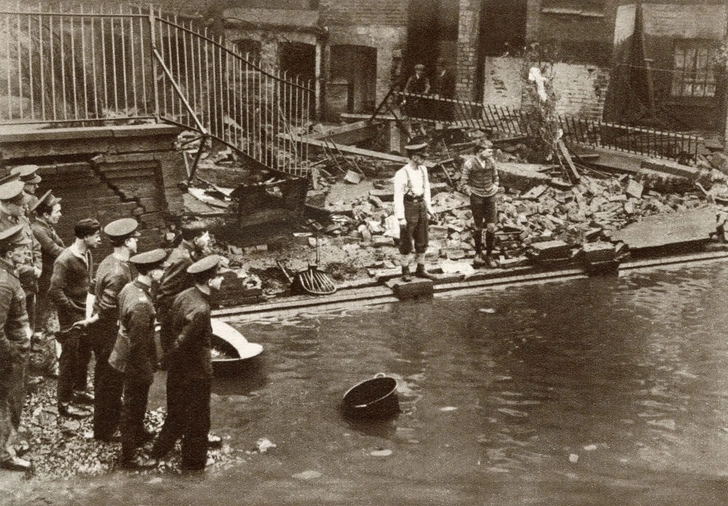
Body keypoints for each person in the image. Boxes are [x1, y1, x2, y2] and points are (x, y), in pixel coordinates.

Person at [151, 255, 224, 471]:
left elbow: (166, 328)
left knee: (176, 413)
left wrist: (168, 359)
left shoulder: (183, 296)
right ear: (209, 281)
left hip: (178, 369)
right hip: (196, 373)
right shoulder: (202, 309)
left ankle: (158, 451)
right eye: (219, 276)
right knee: (199, 420)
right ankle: (193, 466)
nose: (223, 280)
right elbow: (183, 341)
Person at [114, 248, 167, 469]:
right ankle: (130, 456)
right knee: (133, 406)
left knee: (136, 403)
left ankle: (138, 433)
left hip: (126, 354)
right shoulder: (141, 303)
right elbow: (138, 343)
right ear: (152, 272)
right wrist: (144, 368)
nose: (164, 271)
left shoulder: (130, 288)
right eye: (161, 268)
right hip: (137, 361)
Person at [91, 218, 139, 442]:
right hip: (110, 333)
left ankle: (108, 422)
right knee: (110, 380)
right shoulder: (119, 272)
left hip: (102, 331)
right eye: (135, 238)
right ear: (128, 242)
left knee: (105, 378)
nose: (137, 241)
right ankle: (105, 430)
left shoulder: (108, 261)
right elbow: (108, 307)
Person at [48, 218, 102, 418]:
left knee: (84, 352)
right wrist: (71, 308)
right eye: (96, 235)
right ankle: (64, 403)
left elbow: (84, 281)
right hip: (71, 317)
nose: (99, 239)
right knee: (69, 359)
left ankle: (80, 390)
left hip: (85, 310)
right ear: (85, 236)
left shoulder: (87, 253)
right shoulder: (64, 260)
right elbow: (54, 291)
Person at [0, 224, 33, 472]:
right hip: (10, 355)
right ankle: (4, 453)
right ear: (10, 252)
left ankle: (9, 442)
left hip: (17, 350)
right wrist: (12, 351)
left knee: (14, 401)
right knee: (9, 404)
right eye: (22, 249)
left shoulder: (10, 274)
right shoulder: (3, 283)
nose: (27, 253)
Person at [155, 221, 210, 355]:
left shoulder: (186, 253)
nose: (209, 239)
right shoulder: (183, 259)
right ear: (196, 240)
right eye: (206, 236)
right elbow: (165, 293)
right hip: (177, 319)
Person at [29, 191, 64, 377]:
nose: (60, 214)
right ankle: (44, 366)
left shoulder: (46, 226)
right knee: (45, 323)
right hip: (45, 285)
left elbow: (61, 246)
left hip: (52, 281)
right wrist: (76, 255)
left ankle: (49, 362)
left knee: (51, 323)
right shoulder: (38, 229)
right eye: (57, 211)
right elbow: (55, 250)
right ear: (45, 214)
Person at [0, 178, 42, 333]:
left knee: (28, 317)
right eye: (20, 204)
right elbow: (4, 259)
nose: (25, 206)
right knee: (14, 324)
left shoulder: (22, 217)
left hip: (30, 282)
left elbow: (34, 243)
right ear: (8, 204)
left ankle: (29, 344)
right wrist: (31, 270)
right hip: (13, 282)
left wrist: (38, 266)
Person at [393, 140, 436, 282]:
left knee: (422, 237)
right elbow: (398, 196)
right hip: (409, 206)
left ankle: (420, 269)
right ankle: (405, 270)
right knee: (406, 239)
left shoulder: (423, 170)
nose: (424, 159)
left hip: (421, 205)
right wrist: (400, 217)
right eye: (422, 156)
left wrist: (429, 208)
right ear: (413, 157)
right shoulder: (402, 173)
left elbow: (427, 189)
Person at [460, 139, 500, 268]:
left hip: (490, 196)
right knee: (478, 226)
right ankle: (478, 254)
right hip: (476, 196)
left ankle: (489, 255)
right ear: (480, 151)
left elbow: (496, 177)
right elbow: (464, 182)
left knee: (491, 226)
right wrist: (469, 192)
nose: (491, 153)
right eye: (489, 151)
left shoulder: (491, 162)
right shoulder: (469, 164)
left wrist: (495, 187)